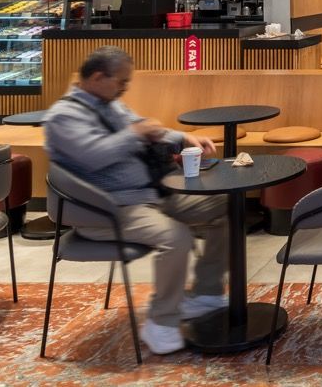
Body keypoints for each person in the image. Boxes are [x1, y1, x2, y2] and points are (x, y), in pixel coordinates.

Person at [42, 47, 227, 355]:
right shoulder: (63, 117)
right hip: (109, 209)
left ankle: (205, 294)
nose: (125, 89)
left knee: (223, 206)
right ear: (99, 77)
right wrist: (135, 132)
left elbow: (145, 127)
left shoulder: (110, 103)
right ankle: (161, 322)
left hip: (149, 196)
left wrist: (181, 137)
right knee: (175, 237)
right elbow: (95, 156)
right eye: (122, 83)